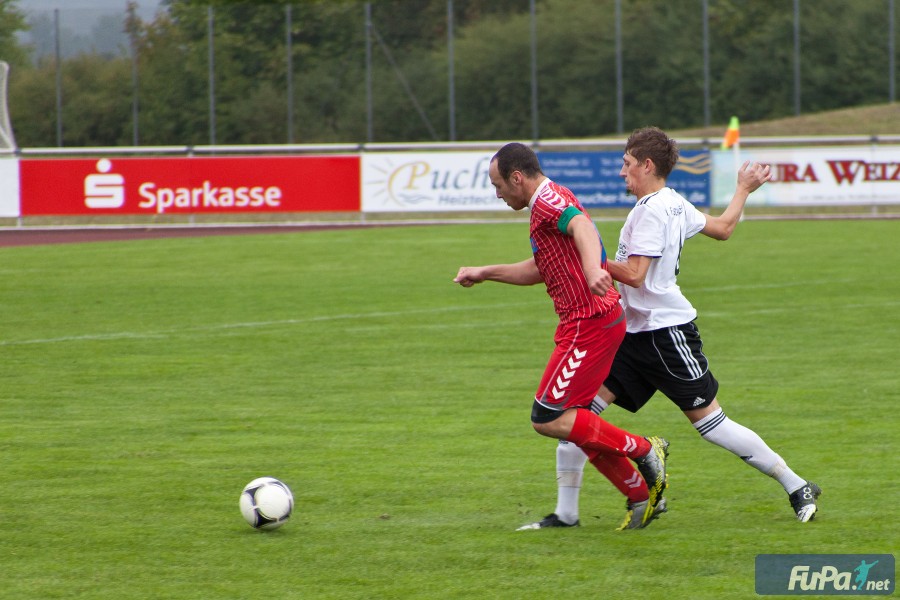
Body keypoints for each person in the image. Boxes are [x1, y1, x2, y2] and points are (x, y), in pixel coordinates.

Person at [519, 127, 821, 531]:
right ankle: (566, 514)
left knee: (712, 425)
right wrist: (742, 189)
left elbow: (635, 275)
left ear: (647, 165)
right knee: (574, 418)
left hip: (665, 335)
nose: (622, 172)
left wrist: (585, 261)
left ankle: (797, 485)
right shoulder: (675, 202)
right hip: (630, 335)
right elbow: (723, 228)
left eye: (627, 164)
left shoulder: (651, 210)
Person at [454, 142, 669, 530]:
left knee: (547, 417)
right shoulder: (544, 202)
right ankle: (639, 495)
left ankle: (643, 448)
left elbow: (582, 226)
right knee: (576, 421)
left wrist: (593, 269)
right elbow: (541, 268)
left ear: (516, 178)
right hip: (593, 322)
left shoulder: (548, 200)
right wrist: (485, 272)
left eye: (498, 185)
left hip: (589, 324)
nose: (497, 194)